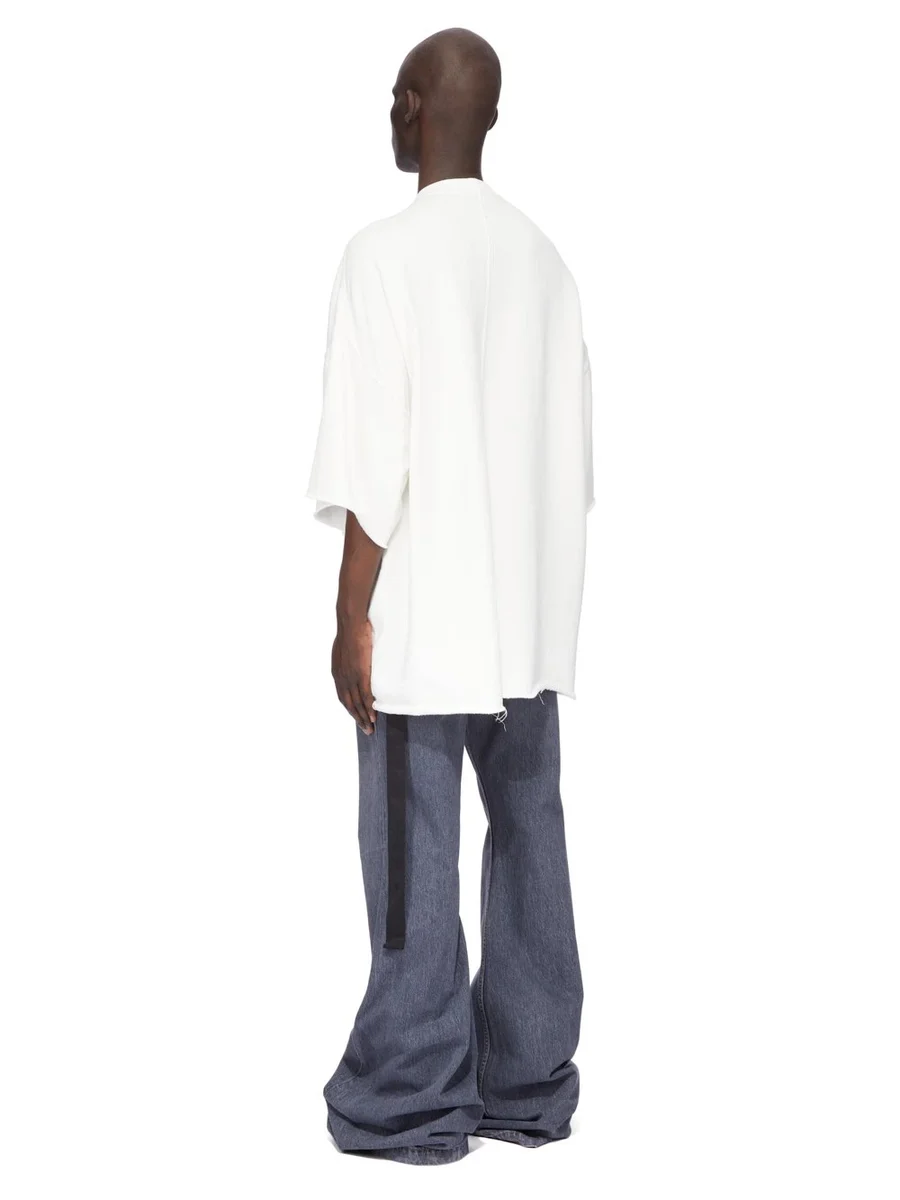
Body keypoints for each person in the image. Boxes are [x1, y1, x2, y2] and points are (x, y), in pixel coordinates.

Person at [307, 27, 593, 1166]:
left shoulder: (384, 256)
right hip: (528, 619)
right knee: (531, 836)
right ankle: (526, 1082)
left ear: (419, 107)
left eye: (397, 94)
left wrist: (350, 618)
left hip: (427, 620)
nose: (390, 111)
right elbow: (575, 457)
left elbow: (372, 457)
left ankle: (412, 1099)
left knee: (412, 854)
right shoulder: (547, 264)